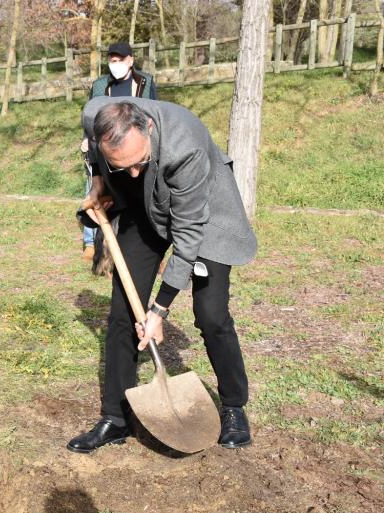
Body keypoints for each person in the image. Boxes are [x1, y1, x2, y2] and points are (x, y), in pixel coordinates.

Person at [67, 98, 257, 454]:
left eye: (137, 162)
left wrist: (159, 311)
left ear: (149, 129)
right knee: (124, 311)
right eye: (122, 166)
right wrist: (97, 182)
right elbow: (94, 149)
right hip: (146, 208)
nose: (133, 172)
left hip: (203, 212)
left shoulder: (186, 147)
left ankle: (233, 407)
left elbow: (187, 236)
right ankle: (116, 418)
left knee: (211, 315)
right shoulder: (96, 115)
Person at [79, 42, 158, 263]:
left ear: (130, 61)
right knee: (96, 189)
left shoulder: (145, 81)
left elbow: (154, 111)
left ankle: (148, 245)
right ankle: (91, 243)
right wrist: (87, 140)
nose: (115, 64)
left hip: (134, 148)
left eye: (120, 60)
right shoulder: (99, 85)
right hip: (106, 146)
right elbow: (90, 116)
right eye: (112, 61)